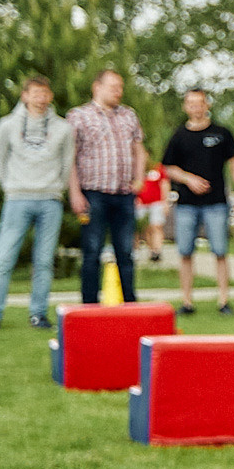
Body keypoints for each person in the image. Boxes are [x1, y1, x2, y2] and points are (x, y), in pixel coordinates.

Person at [0, 74, 75, 334]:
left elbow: (67, 163)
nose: (40, 98)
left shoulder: (62, 128)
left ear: (50, 96)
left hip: (50, 200)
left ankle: (38, 314)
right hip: (17, 199)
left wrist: (57, 187)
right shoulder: (7, 125)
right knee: (4, 258)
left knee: (44, 261)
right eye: (35, 93)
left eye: (45, 93)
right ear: (25, 95)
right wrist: (11, 186)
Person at [160, 89, 234, 316]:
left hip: (216, 203)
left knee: (220, 251)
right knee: (185, 252)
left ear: (207, 105)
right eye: (191, 103)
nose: (196, 107)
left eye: (200, 103)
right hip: (187, 204)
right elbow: (168, 167)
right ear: (185, 107)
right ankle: (187, 302)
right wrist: (188, 179)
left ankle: (224, 301)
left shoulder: (221, 133)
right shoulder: (179, 135)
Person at [66, 68, 147, 304]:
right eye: (113, 87)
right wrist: (75, 192)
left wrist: (139, 178)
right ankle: (89, 304)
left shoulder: (129, 115)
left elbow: (139, 149)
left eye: (120, 88)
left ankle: (130, 303)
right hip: (93, 194)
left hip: (123, 194)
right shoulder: (78, 116)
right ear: (97, 87)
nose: (118, 92)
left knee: (126, 252)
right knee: (91, 252)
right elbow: (69, 157)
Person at [136, 165, 169, 264]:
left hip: (156, 202)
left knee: (156, 226)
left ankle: (156, 251)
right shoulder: (137, 166)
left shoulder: (158, 168)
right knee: (140, 228)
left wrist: (165, 201)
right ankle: (138, 250)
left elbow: (164, 183)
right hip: (140, 202)